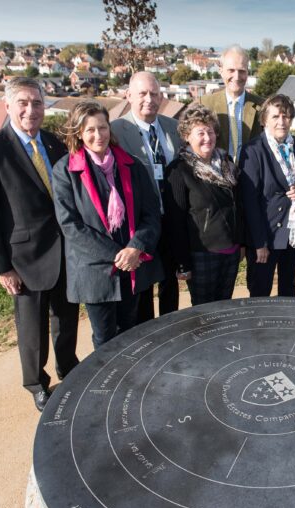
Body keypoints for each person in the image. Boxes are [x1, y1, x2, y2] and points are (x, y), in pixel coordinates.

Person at [0, 77, 79, 411]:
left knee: (67, 317)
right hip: (24, 258)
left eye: (37, 103)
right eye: (23, 103)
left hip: (64, 251)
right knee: (32, 328)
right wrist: (1, 266)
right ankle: (36, 382)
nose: (31, 110)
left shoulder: (55, 143)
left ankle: (68, 369)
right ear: (8, 106)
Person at [52, 101, 163, 349]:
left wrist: (135, 248)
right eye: (90, 130)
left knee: (131, 333)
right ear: (78, 133)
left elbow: (151, 214)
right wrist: (118, 255)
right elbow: (71, 225)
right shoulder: (65, 171)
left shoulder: (132, 165)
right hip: (96, 272)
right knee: (105, 339)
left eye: (102, 128)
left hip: (132, 266)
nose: (97, 135)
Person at [111, 71, 182, 322]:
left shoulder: (174, 128)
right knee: (142, 286)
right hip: (140, 223)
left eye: (154, 93)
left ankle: (170, 328)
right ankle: (145, 335)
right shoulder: (116, 131)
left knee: (170, 282)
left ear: (161, 96)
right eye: (142, 93)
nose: (149, 99)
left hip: (172, 220)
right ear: (129, 95)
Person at [164, 104, 244, 306]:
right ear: (186, 136)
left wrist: (241, 243)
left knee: (224, 306)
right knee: (203, 313)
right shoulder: (178, 170)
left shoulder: (227, 163)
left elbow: (238, 206)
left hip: (230, 252)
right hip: (201, 255)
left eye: (210, 131)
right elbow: (176, 222)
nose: (207, 138)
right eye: (200, 132)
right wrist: (183, 263)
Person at [240, 94, 295, 297]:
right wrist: (260, 243)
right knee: (260, 291)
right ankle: (257, 330)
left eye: (286, 116)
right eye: (275, 116)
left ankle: (285, 329)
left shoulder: (294, 145)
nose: (281, 122)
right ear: (264, 119)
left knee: (288, 289)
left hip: (291, 231)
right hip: (266, 234)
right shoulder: (253, 150)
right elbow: (249, 201)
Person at [200, 45, 263, 164]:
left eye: (242, 71)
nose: (237, 76)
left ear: (247, 72)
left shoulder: (262, 106)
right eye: (231, 70)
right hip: (215, 176)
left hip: (252, 178)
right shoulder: (204, 104)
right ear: (221, 71)